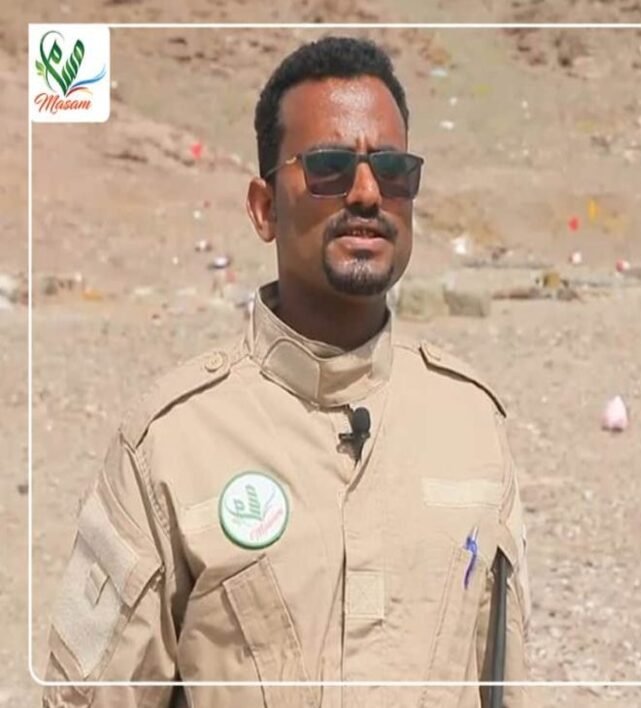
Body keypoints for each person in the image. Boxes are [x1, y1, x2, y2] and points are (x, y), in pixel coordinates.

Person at [42, 36, 532, 708]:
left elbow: (506, 679)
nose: (367, 193)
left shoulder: (471, 424)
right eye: (329, 167)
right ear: (265, 207)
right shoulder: (172, 445)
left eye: (393, 169)